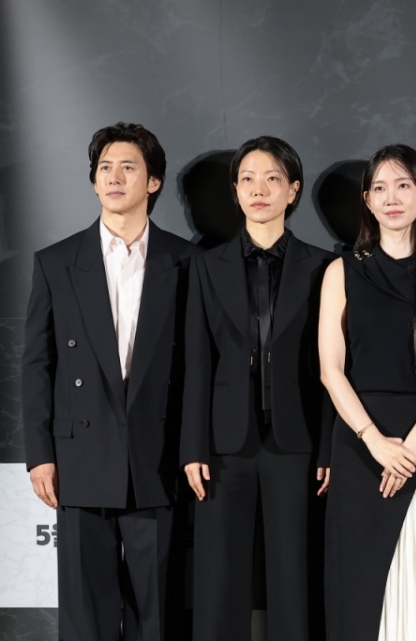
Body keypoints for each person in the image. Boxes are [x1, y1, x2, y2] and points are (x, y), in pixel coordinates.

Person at [22, 122, 198, 641]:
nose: (114, 177)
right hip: (79, 459)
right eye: (105, 168)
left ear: (153, 182)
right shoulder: (56, 262)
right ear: (94, 180)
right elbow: (37, 364)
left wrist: (191, 450)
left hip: (157, 458)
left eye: (128, 167)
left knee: (158, 616)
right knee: (85, 618)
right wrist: (40, 454)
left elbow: (196, 370)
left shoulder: (186, 262)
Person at [179, 136, 334, 641]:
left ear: (293, 190)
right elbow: (196, 362)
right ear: (235, 190)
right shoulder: (206, 266)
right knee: (218, 578)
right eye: (247, 179)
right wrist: (192, 447)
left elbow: (333, 367)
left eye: (272, 179)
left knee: (294, 576)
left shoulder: (323, 266)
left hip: (297, 440)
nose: (258, 189)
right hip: (223, 444)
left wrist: (329, 446)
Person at [320, 144, 416, 641]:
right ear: (366, 200)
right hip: (360, 446)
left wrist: (411, 446)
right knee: (361, 589)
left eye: (404, 185)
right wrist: (374, 440)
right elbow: (331, 371)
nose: (392, 198)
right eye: (380, 188)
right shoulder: (343, 270)